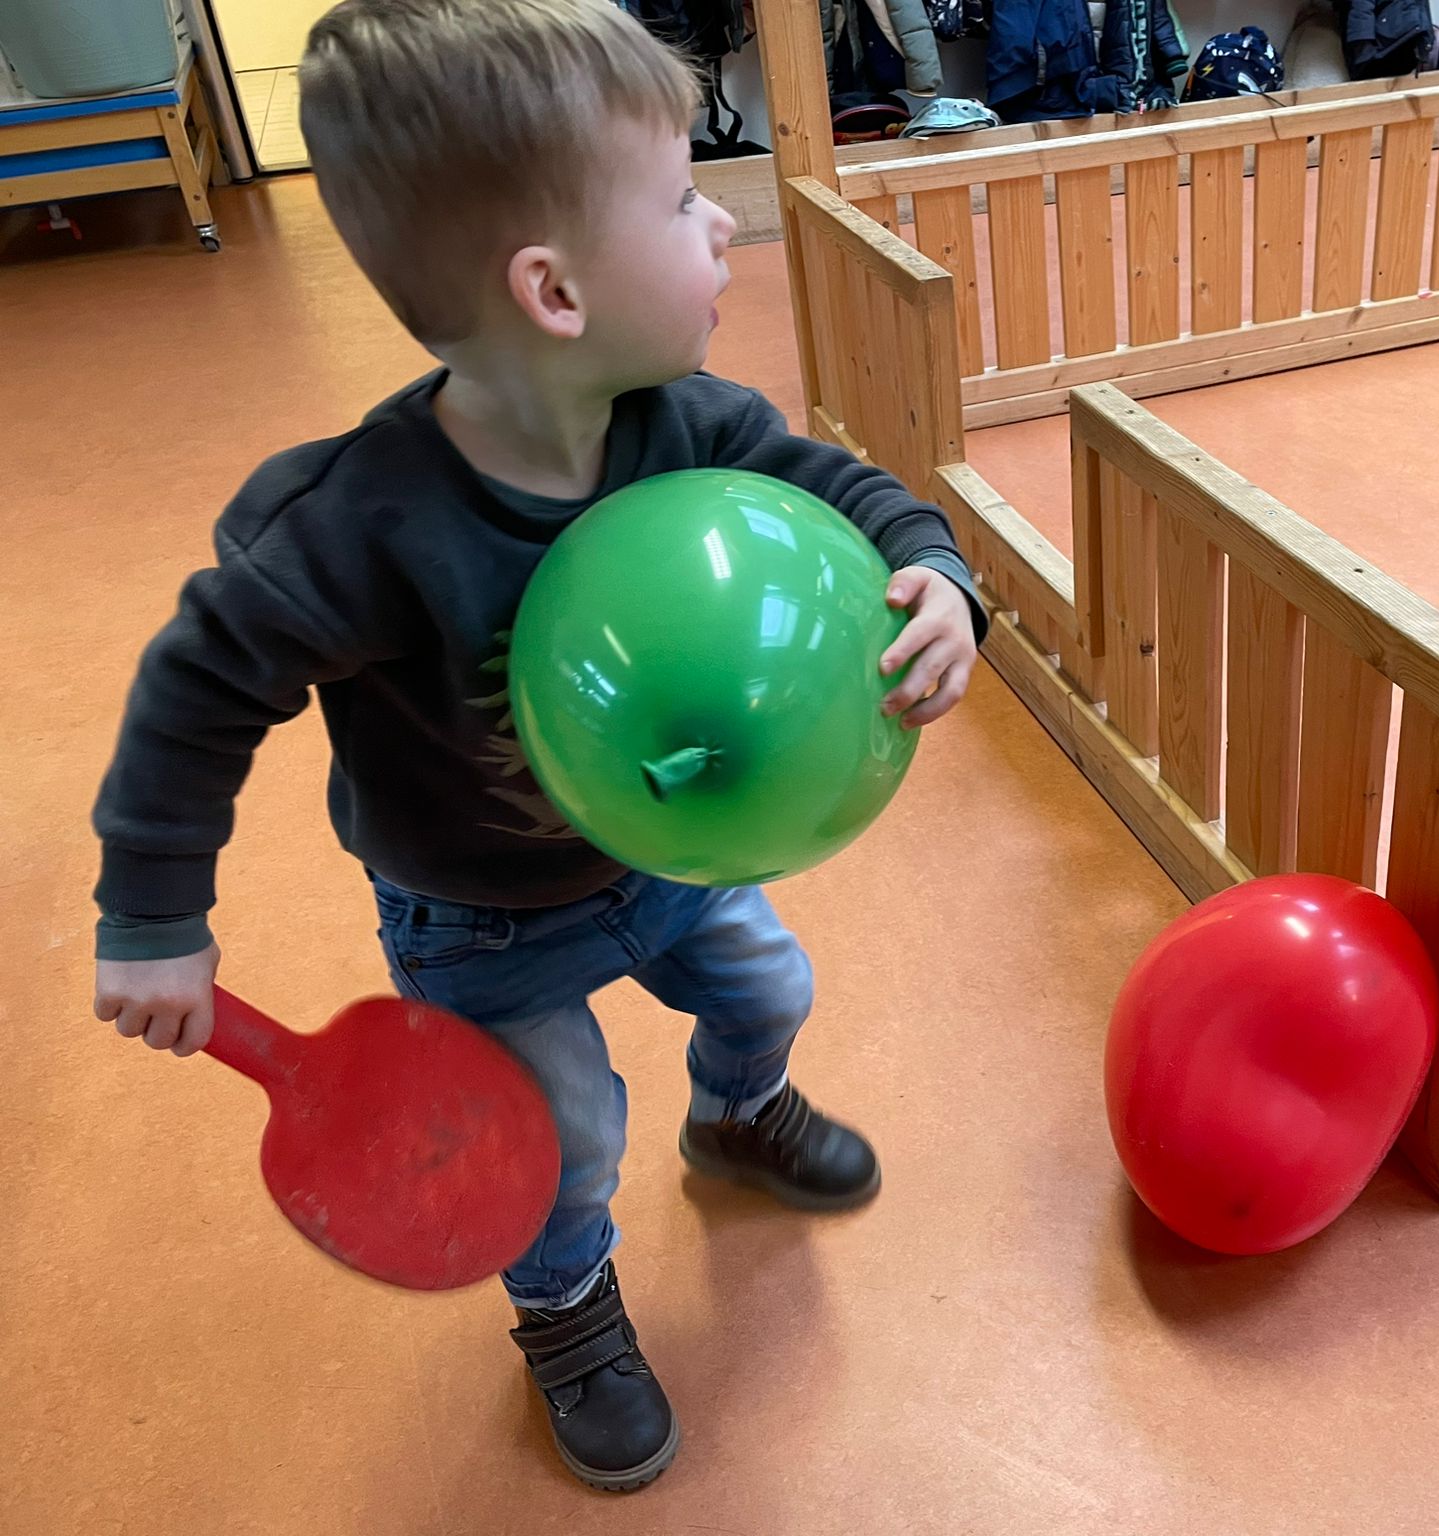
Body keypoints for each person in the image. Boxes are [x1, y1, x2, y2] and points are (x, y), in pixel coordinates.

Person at [87, 0, 983, 1494]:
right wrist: (152, 917)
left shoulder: (694, 425)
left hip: (675, 852)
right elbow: (197, 691)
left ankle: (738, 1114)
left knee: (773, 985)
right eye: (682, 198)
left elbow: (839, 489)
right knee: (561, 1137)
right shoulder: (359, 526)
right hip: (480, 913)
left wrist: (934, 571)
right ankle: (564, 1309)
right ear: (553, 291)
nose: (722, 221)